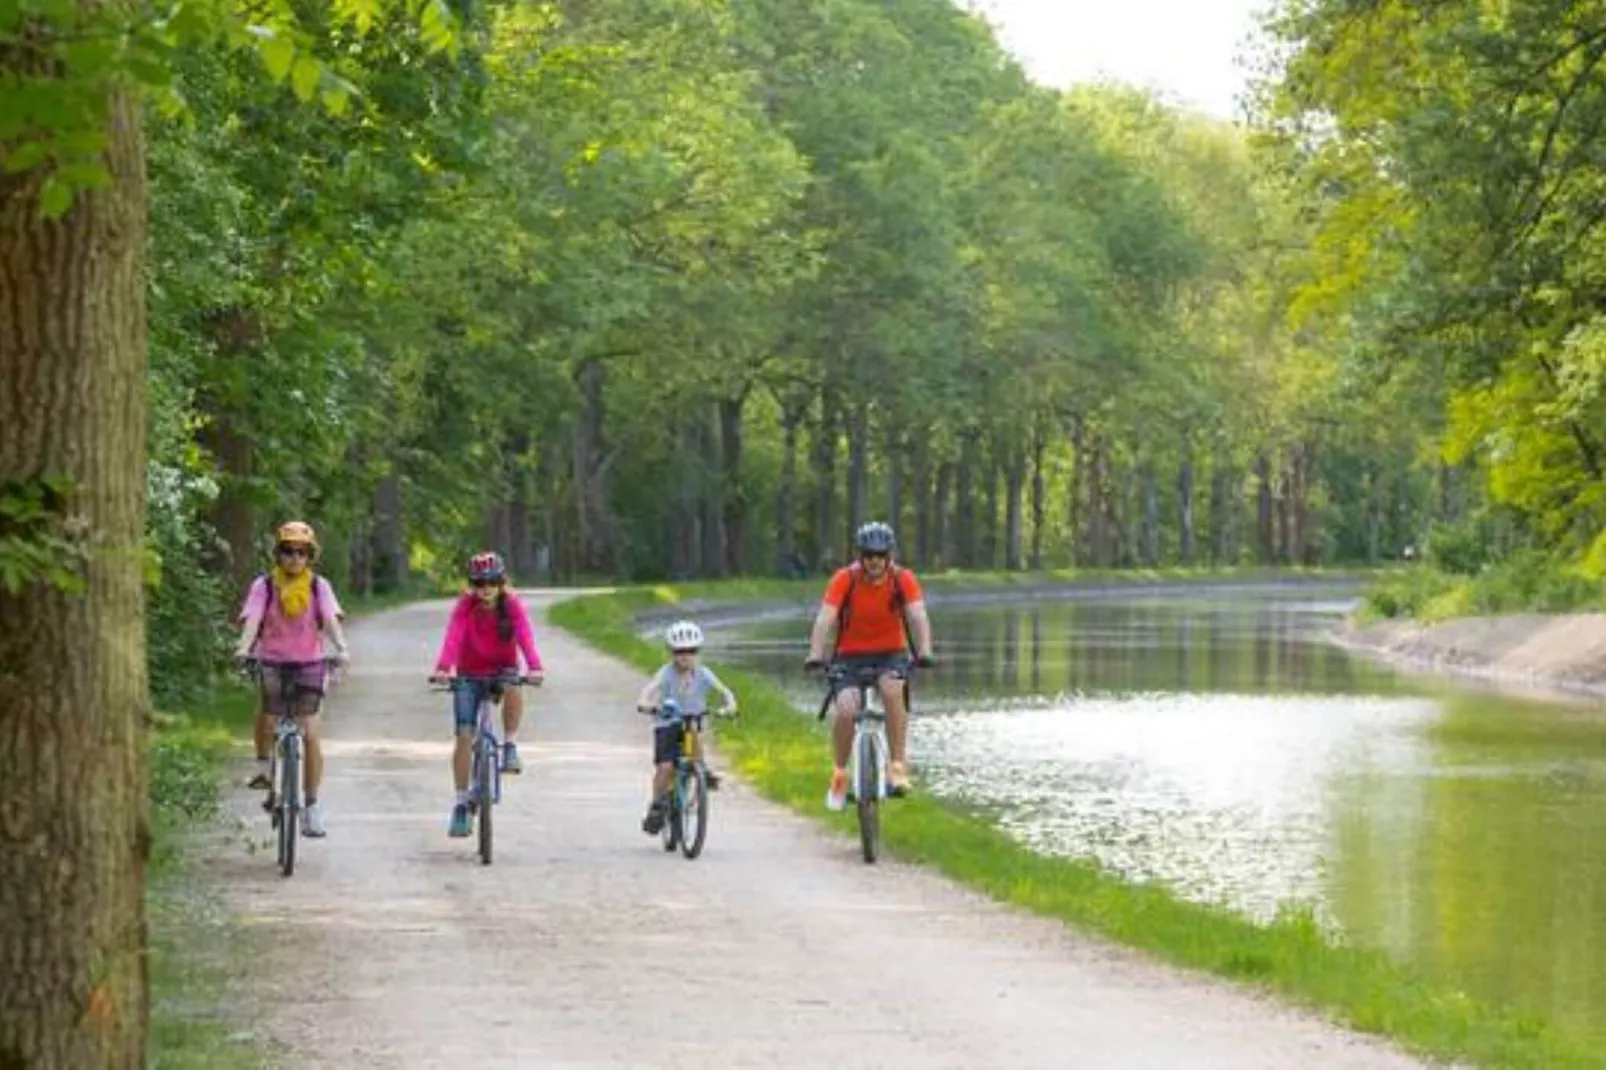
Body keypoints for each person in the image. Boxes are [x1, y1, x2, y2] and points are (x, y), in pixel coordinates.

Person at [804, 521, 934, 810]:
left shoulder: (903, 579)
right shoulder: (844, 579)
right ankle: (840, 774)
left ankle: (897, 766)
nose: (874, 562)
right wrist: (815, 654)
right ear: (859, 556)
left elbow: (917, 615)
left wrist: (924, 650)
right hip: (849, 656)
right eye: (868, 556)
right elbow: (825, 618)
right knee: (848, 709)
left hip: (891, 653)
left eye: (880, 555)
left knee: (891, 691)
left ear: (890, 556)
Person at [234, 520, 351, 839]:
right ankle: (262, 767)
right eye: (287, 551)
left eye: (301, 552)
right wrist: (244, 647)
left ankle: (311, 806)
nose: (294, 558)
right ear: (278, 554)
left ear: (310, 556)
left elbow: (328, 619)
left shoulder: (318, 586)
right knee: (268, 716)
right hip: (271, 659)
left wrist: (340, 648)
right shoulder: (265, 586)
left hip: (310, 663)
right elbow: (253, 618)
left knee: (310, 733)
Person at [430, 551, 545, 837]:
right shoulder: (465, 606)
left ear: (501, 582)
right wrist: (444, 667)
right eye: (480, 584)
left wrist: (535, 666)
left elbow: (525, 635)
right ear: (472, 585)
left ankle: (510, 746)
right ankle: (460, 803)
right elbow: (453, 635)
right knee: (465, 735)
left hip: (502, 668)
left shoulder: (512, 605)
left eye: (492, 582)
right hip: (469, 672)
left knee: (514, 686)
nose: (486, 589)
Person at [635, 619, 738, 835]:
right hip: (668, 723)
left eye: (691, 651)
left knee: (696, 742)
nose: (685, 656)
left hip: (693, 720)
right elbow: (649, 690)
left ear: (697, 652)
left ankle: (700, 772)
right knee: (666, 767)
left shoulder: (703, 673)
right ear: (671, 653)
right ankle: (657, 805)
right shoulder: (666, 672)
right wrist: (647, 704)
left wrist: (729, 704)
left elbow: (724, 691)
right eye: (679, 651)